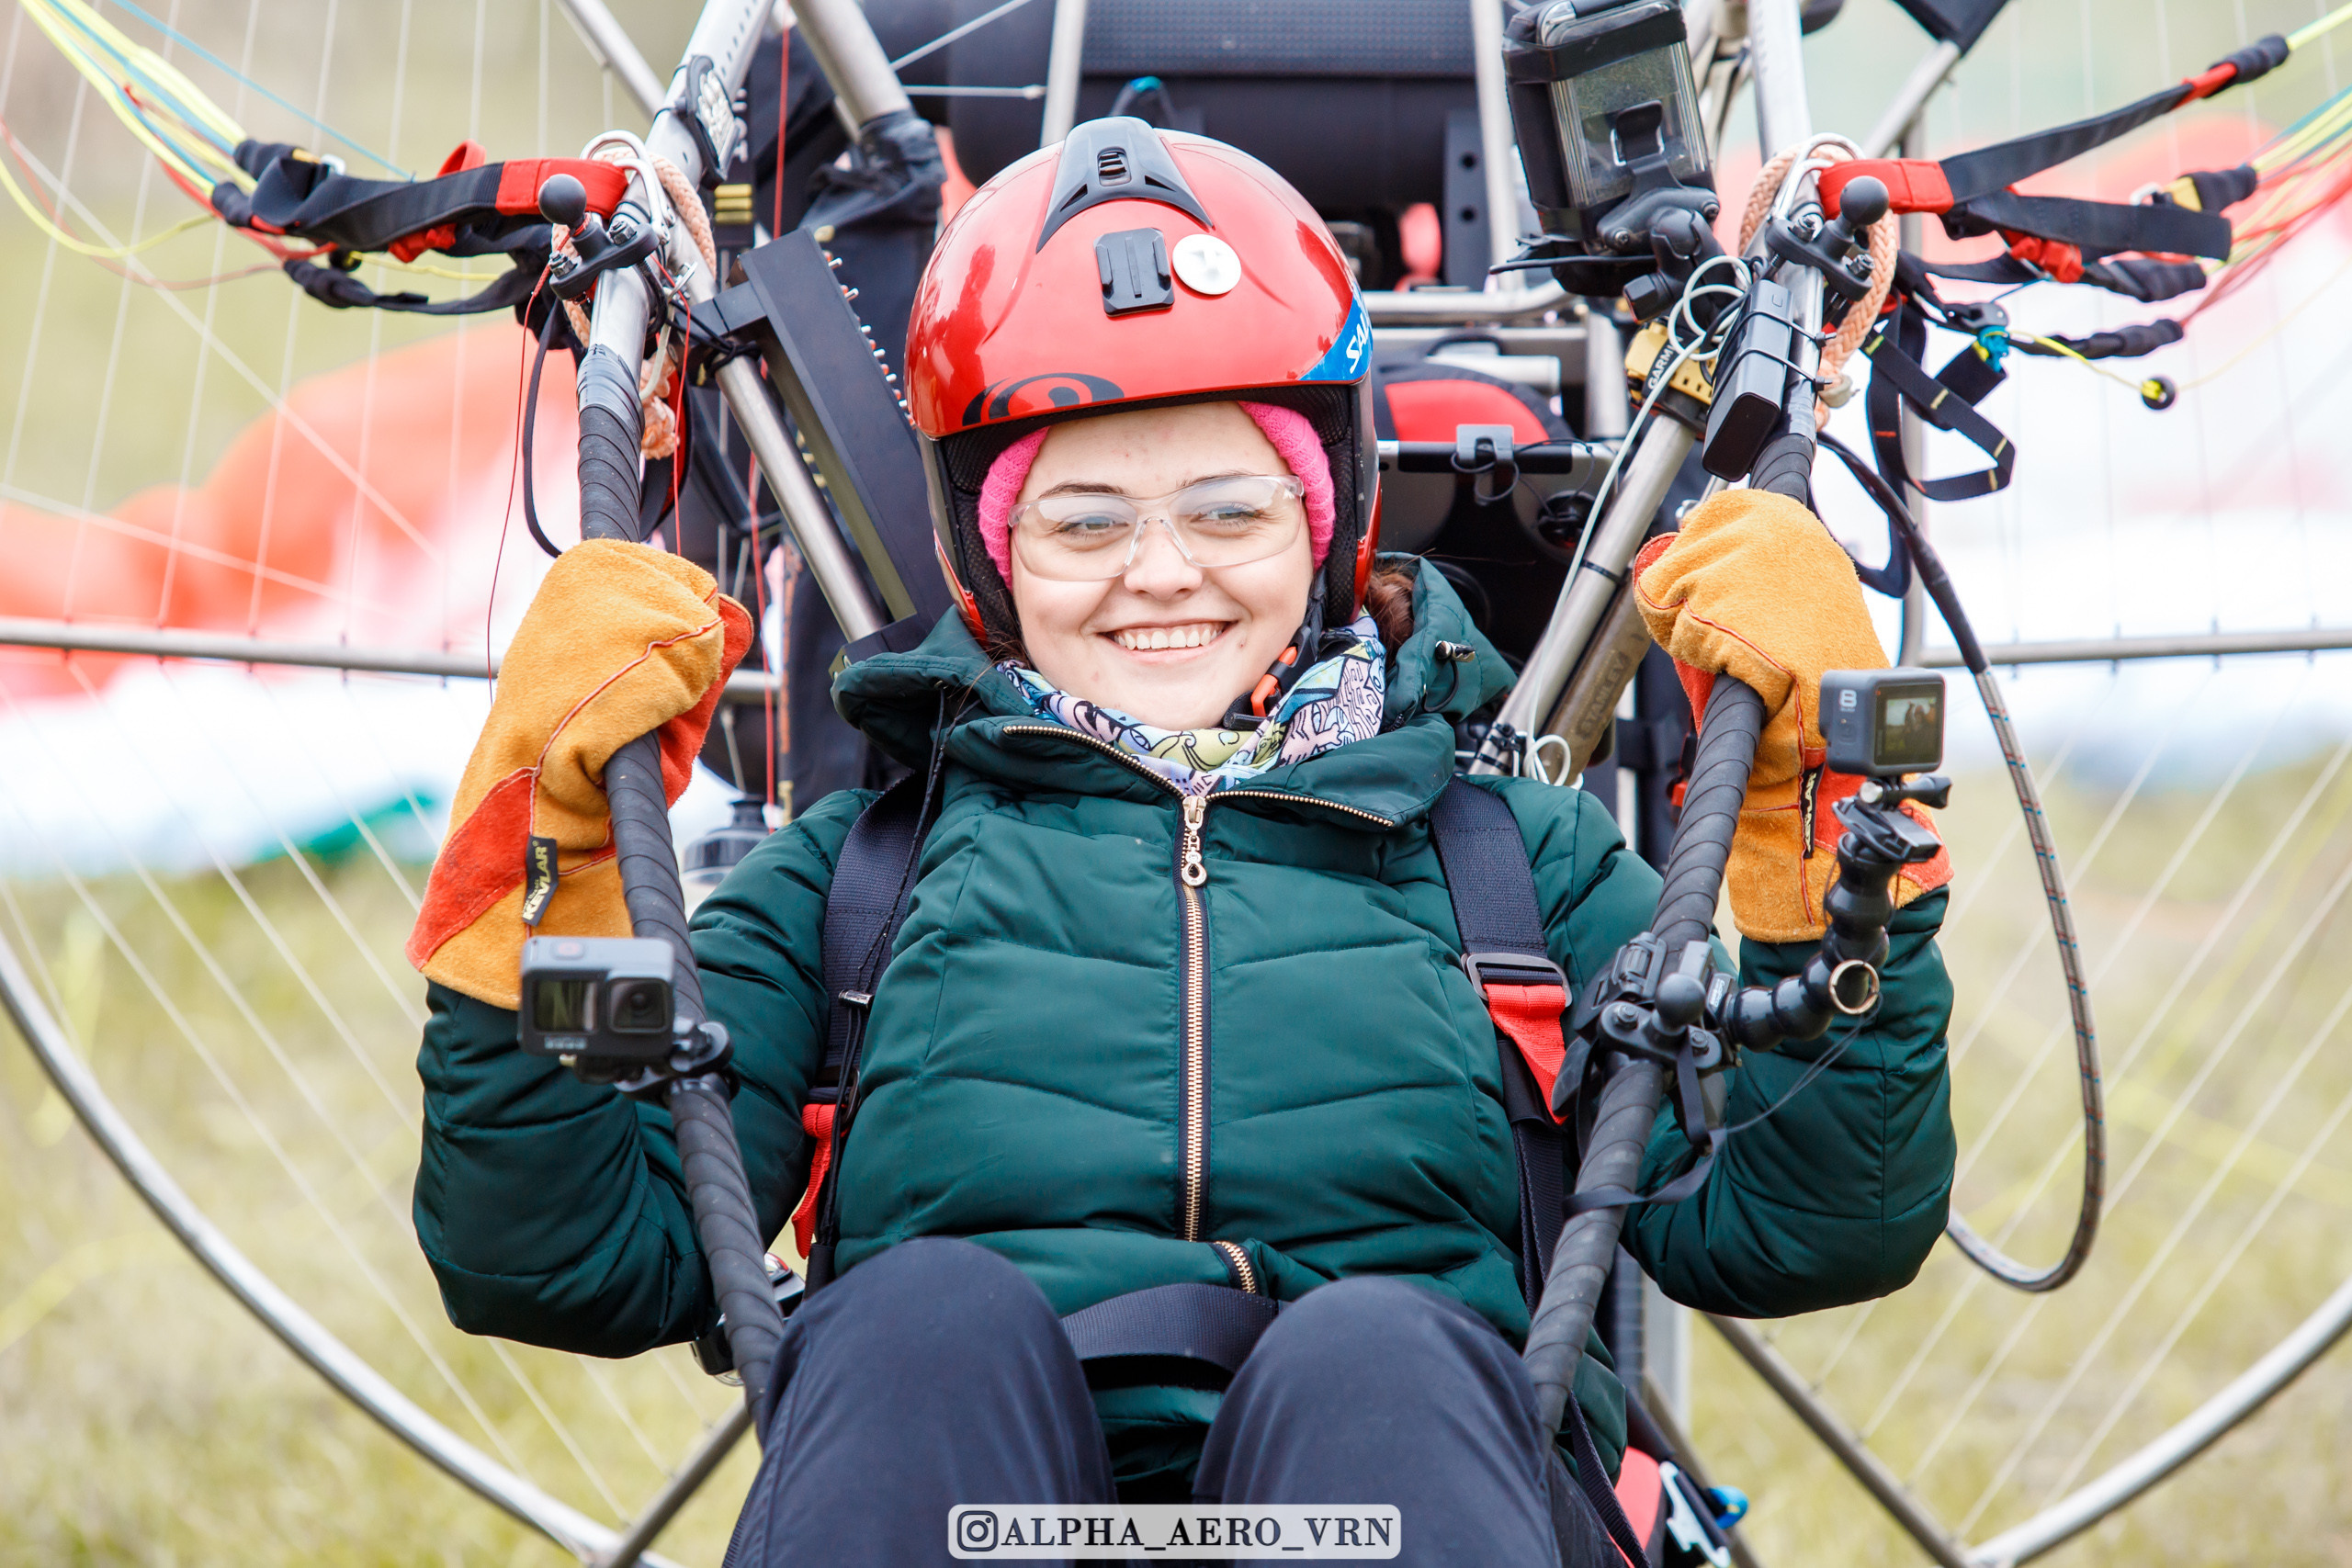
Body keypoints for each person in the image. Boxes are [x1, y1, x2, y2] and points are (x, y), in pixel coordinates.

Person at [407, 120, 1956, 1567]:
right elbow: (560, 1257)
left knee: (1382, 1347)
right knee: (914, 1322)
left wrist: (1823, 854)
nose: (1162, 576)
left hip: (1401, 1484)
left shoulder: (1514, 867)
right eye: (1083, 522)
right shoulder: (851, 886)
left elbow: (1812, 1224)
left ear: (1325, 518)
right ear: (993, 556)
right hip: (962, 1484)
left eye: (1229, 511)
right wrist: (540, 892)